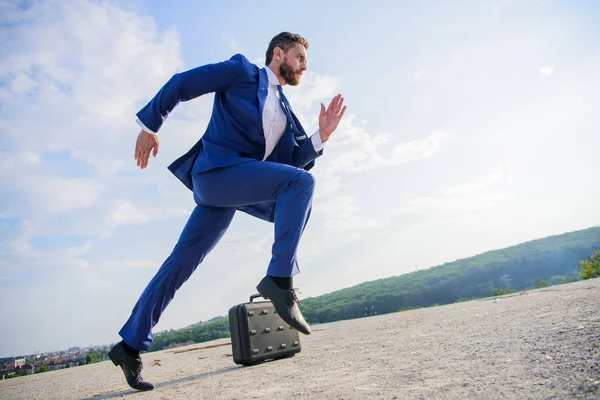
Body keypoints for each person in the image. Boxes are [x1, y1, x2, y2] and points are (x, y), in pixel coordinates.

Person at [107, 32, 346, 391]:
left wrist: (320, 137)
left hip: (230, 191)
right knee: (301, 185)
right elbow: (182, 84)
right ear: (278, 53)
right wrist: (150, 126)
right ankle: (280, 280)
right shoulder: (240, 72)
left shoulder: (285, 112)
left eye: (306, 64)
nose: (303, 66)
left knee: (179, 265)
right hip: (216, 174)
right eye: (299, 58)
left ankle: (129, 346)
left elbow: (291, 162)